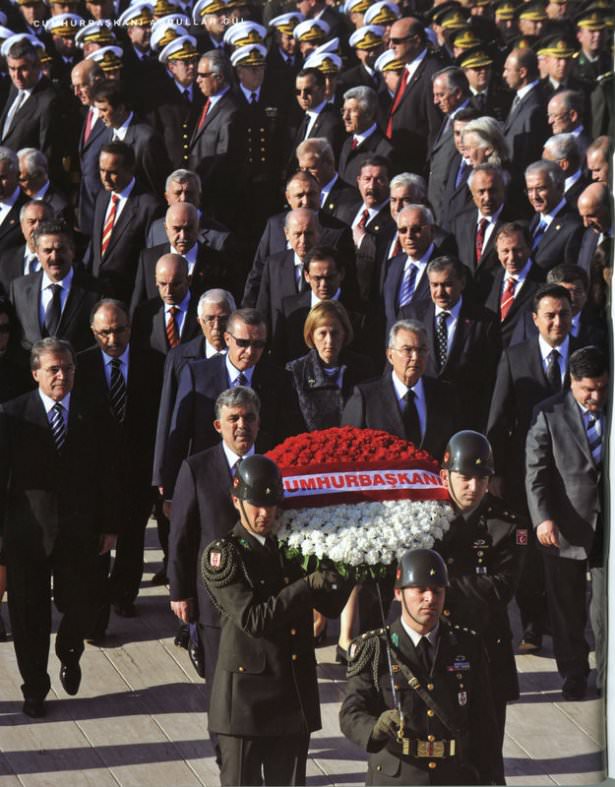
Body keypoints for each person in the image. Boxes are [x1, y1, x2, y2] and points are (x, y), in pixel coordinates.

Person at [201, 454, 348, 786]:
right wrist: (307, 585)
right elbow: (253, 619)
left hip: (291, 696)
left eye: (271, 505)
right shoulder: (224, 555)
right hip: (246, 706)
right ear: (236, 501)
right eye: (256, 505)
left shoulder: (295, 547)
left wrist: (349, 565)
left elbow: (331, 606)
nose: (265, 514)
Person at [0, 337, 120, 718]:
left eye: (68, 368)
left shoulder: (94, 413)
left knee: (86, 600)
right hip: (27, 535)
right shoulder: (12, 415)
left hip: (80, 531)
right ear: (36, 373)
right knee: (28, 617)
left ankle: (69, 648)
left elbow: (109, 474)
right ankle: (35, 688)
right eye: (53, 369)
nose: (62, 376)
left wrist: (110, 525)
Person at [339, 548, 502, 785]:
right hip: (397, 776)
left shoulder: (467, 645)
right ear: (398, 593)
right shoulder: (376, 648)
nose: (430, 598)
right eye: (420, 590)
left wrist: (492, 778)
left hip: (454, 776)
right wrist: (376, 727)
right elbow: (350, 713)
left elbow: (484, 721)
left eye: (437, 591)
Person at [169, 385, 261, 729]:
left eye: (249, 418)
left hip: (262, 598)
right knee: (220, 688)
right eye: (233, 419)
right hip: (214, 600)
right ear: (218, 425)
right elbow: (181, 535)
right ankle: (225, 747)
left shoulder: (274, 464)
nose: (242, 425)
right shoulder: (196, 468)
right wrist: (180, 591)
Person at [437, 430, 526, 758]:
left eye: (482, 478)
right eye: (465, 478)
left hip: (486, 648)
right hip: (437, 648)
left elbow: (500, 588)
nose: (474, 487)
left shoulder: (509, 525)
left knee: (486, 756)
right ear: (445, 476)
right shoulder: (423, 518)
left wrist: (438, 585)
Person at [526, 346, 607, 699]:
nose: (596, 397)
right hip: (564, 526)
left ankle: (607, 675)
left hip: (607, 528)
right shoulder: (548, 414)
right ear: (572, 382)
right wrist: (543, 518)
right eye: (588, 389)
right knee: (567, 609)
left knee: (605, 608)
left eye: (602, 388)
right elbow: (536, 473)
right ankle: (573, 673)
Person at [74, 299, 160, 623]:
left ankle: (124, 594)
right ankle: (96, 604)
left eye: (119, 330)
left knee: (133, 536)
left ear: (130, 327)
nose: (113, 339)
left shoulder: (153, 363)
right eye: (105, 333)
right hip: (96, 472)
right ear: (93, 331)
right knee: (98, 539)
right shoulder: (80, 365)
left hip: (137, 467)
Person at [400, 255, 501, 430]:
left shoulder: (485, 321)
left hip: (466, 417)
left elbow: (492, 375)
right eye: (434, 285)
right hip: (421, 412)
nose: (440, 292)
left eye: (447, 285)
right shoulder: (410, 314)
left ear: (462, 283)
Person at [342, 318, 459, 462]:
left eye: (421, 350)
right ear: (390, 355)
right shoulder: (366, 396)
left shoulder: (444, 394)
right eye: (407, 350)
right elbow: (348, 449)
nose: (415, 357)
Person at [84, 141, 164, 301]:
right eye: (102, 170)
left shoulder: (149, 206)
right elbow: (95, 246)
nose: (105, 178)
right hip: (96, 294)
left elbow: (150, 259)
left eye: (113, 172)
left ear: (130, 169)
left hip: (126, 296)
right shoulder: (102, 197)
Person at [9, 220, 103, 352]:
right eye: (47, 251)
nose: (54, 257)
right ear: (37, 253)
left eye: (60, 250)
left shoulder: (96, 291)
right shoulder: (19, 288)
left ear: (72, 251)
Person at [483, 221, 545, 348]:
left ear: (529, 248)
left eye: (517, 250)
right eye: (505, 251)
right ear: (497, 252)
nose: (511, 257)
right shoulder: (489, 279)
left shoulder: (543, 282)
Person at [524, 159, 583, 271]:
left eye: (540, 189)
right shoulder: (536, 219)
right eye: (530, 190)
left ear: (560, 187)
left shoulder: (574, 227)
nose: (534, 196)